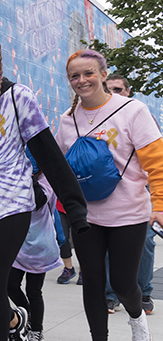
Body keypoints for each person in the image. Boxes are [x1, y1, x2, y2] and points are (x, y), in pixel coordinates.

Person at [0, 33, 88, 341]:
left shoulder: (17, 97)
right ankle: (15, 318)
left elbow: (48, 154)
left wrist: (74, 206)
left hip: (13, 204)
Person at [55, 49, 163, 341]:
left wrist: (160, 205)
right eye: (74, 76)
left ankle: (137, 321)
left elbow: (156, 162)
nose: (82, 80)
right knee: (92, 281)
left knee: (124, 283)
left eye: (89, 73)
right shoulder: (67, 119)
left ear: (103, 74)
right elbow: (59, 166)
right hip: (86, 215)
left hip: (129, 213)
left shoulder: (133, 111)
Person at [104, 73, 156, 315]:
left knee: (145, 241)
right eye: (109, 89)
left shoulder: (139, 114)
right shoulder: (95, 117)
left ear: (128, 91)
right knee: (105, 244)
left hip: (136, 190)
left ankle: (144, 291)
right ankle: (110, 294)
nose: (114, 94)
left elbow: (155, 160)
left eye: (119, 89)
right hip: (104, 190)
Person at [8, 153, 64, 341]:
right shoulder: (15, 176)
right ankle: (27, 314)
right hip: (18, 245)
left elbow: (39, 200)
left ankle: (36, 330)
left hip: (40, 247)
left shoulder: (46, 179)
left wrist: (28, 176)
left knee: (34, 290)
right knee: (10, 285)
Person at [56, 201, 83, 285]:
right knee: (61, 237)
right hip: (60, 206)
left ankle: (83, 271)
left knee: (82, 238)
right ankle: (68, 268)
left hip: (80, 206)